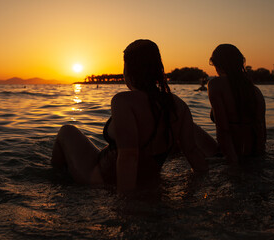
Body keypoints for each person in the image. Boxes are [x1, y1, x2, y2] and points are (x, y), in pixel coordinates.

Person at [51, 39, 213, 193]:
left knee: (67, 131)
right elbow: (192, 152)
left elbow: (128, 157)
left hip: (102, 179)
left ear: (129, 70)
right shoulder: (178, 105)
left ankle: (56, 181)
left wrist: (125, 206)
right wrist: (208, 185)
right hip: (149, 179)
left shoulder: (123, 101)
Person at [207, 44, 266, 166]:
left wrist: (232, 163)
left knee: (190, 128)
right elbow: (261, 132)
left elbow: (223, 129)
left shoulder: (216, 85)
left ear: (218, 64)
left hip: (232, 154)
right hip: (255, 154)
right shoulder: (255, 91)